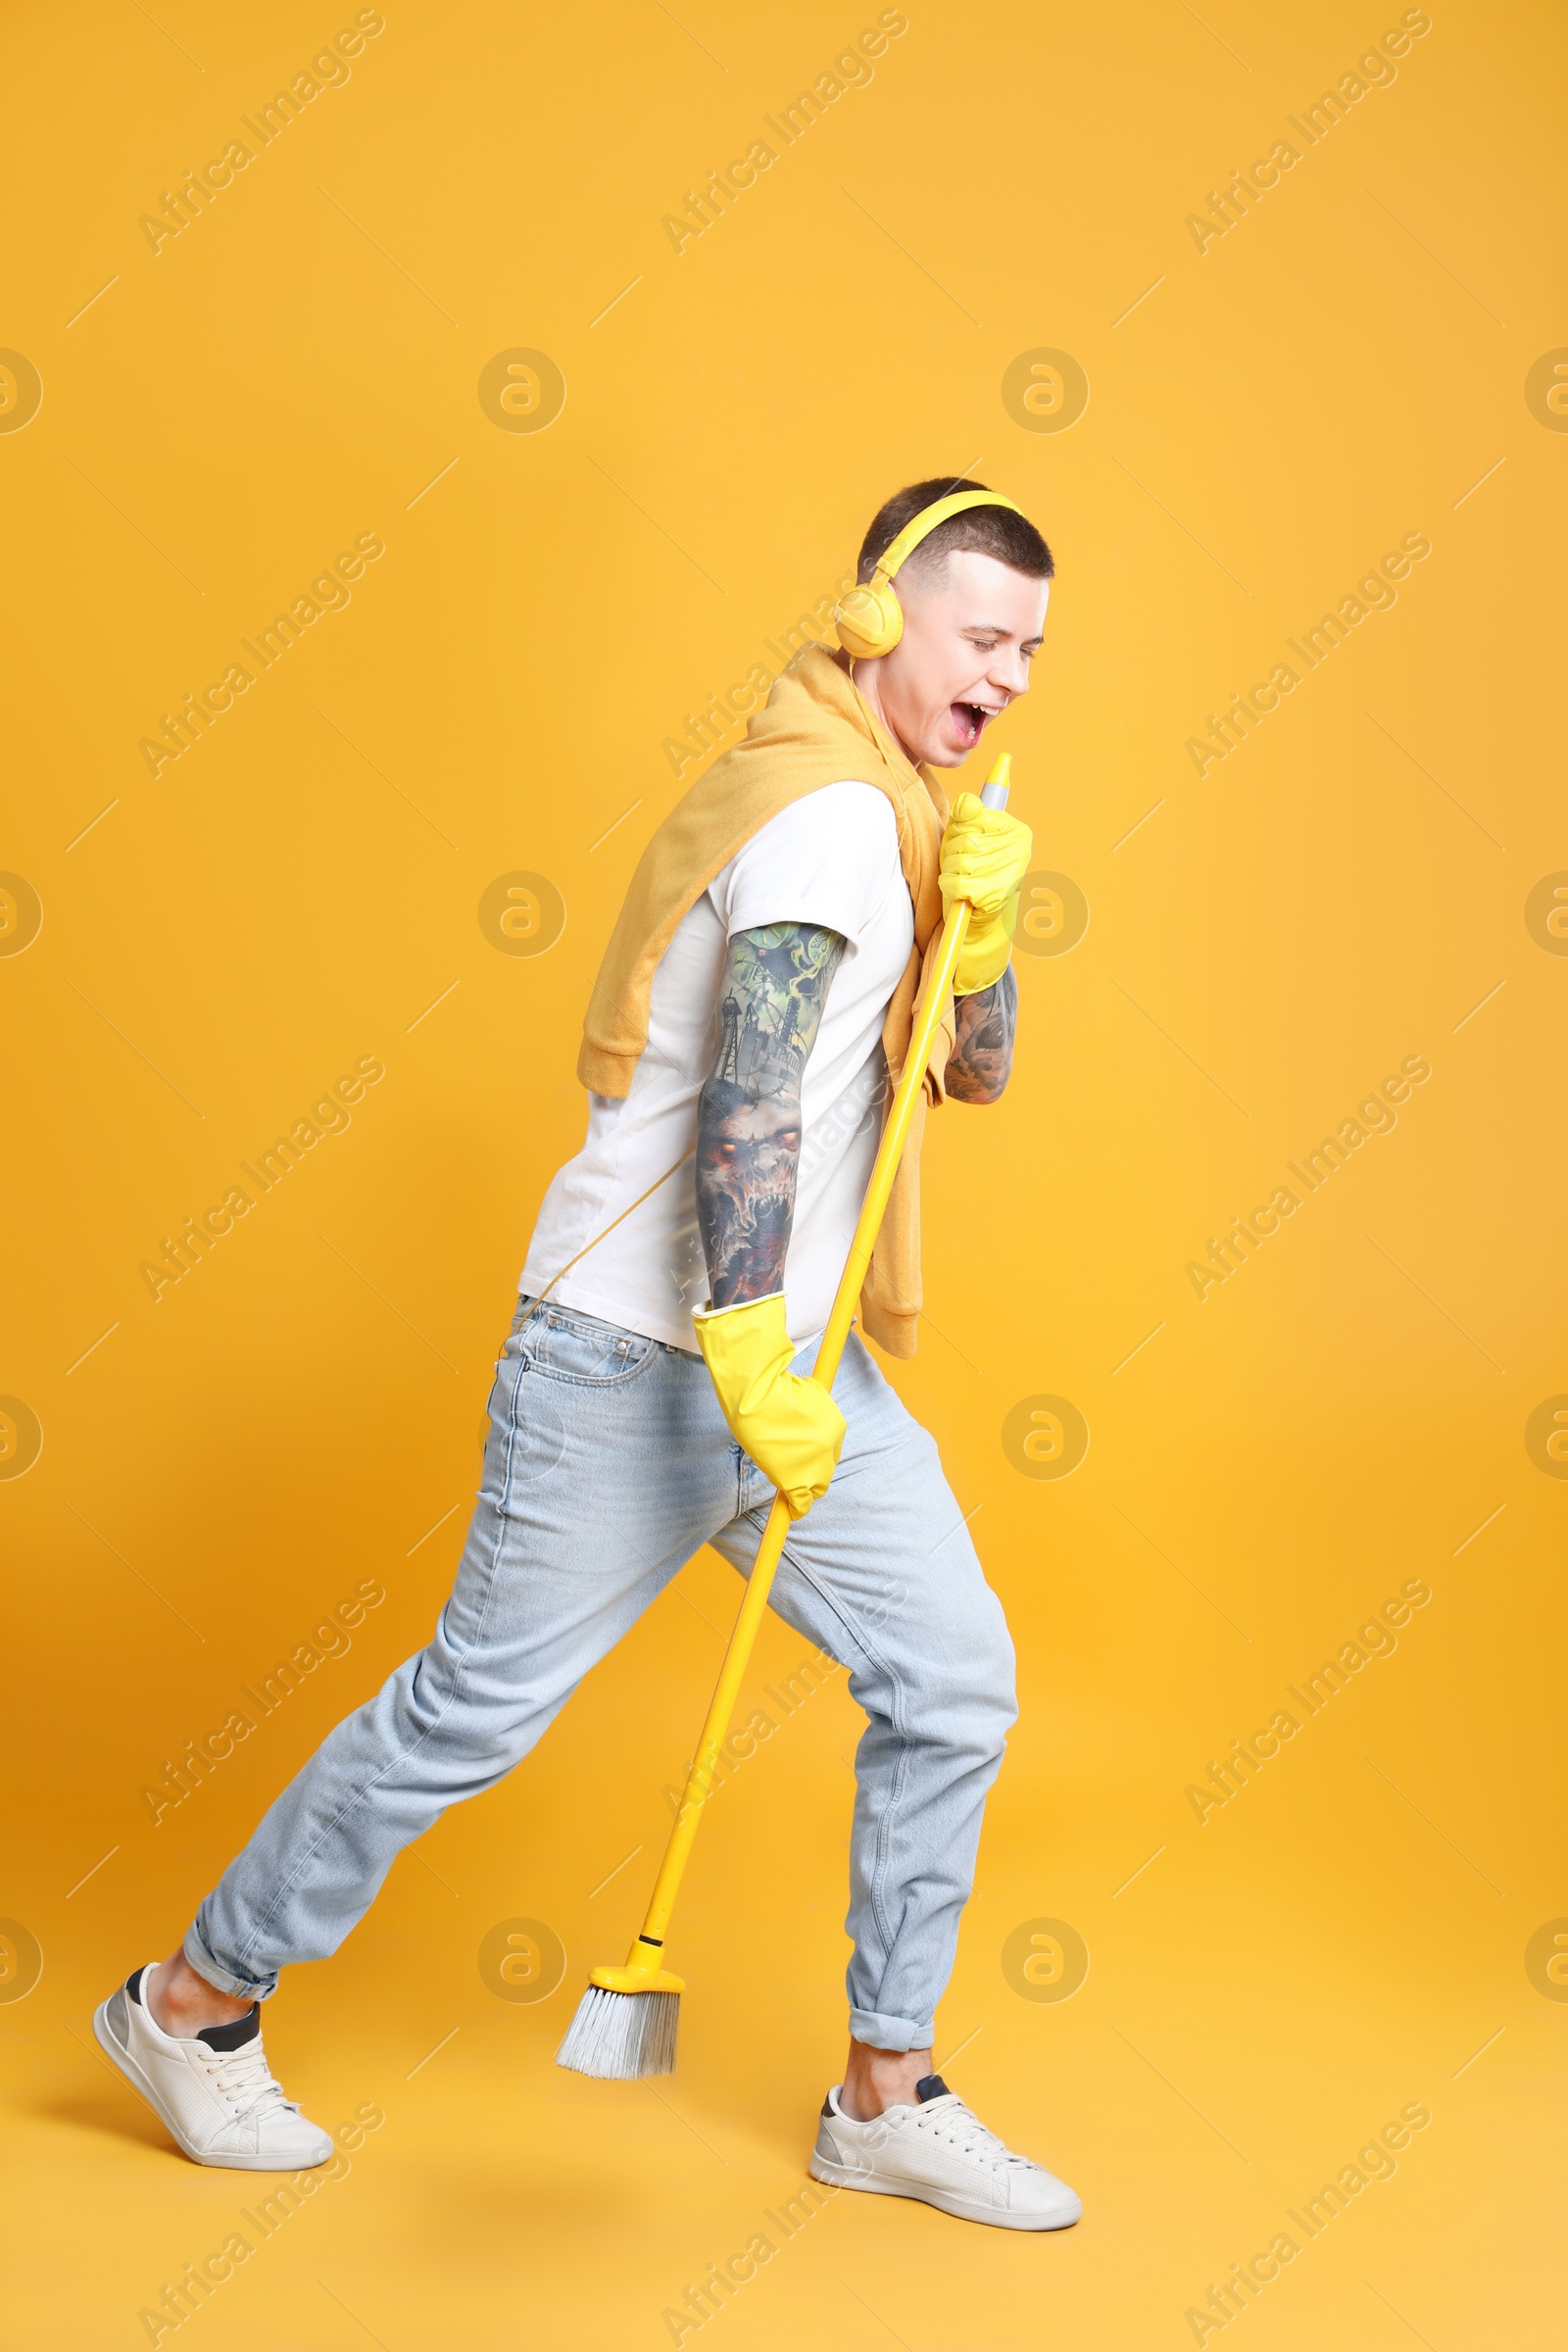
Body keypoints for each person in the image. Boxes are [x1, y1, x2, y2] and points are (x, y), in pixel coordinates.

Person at [94, 477, 1082, 2231]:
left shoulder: (917, 827)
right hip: (637, 1356)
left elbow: (972, 1074)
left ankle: (885, 2091)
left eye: (1032, 652)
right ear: (882, 620)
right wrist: (747, 1360)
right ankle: (189, 2008)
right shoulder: (829, 824)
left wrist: (990, 939)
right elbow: (750, 1119)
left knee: (955, 1679)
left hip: (780, 1354)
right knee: (473, 1713)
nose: (1009, 676)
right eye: (983, 635)